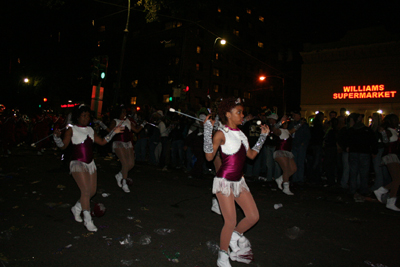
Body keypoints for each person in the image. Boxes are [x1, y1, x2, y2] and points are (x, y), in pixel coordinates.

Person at [203, 97, 269, 267]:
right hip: (224, 182)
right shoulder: (220, 133)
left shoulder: (241, 134)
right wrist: (207, 131)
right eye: (238, 112)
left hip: (239, 182)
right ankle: (223, 256)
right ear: (228, 114)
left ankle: (234, 235)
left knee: (253, 216)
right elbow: (209, 157)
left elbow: (252, 156)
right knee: (230, 221)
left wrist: (263, 137)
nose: (242, 115)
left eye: (242, 112)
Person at [53, 104, 124, 231]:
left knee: (92, 192)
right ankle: (88, 220)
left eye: (87, 115)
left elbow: (102, 142)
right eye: (83, 115)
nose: (86, 118)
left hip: (90, 164)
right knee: (85, 191)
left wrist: (114, 132)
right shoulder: (72, 129)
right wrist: (56, 138)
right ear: (77, 117)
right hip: (77, 163)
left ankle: (77, 208)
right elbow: (63, 146)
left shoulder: (90, 130)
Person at [102, 105, 144, 193]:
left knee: (131, 164)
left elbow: (136, 130)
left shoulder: (128, 121)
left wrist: (143, 124)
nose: (125, 113)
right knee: (125, 163)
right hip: (118, 142)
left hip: (128, 143)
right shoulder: (115, 121)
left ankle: (120, 174)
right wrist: (114, 128)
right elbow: (110, 130)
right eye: (124, 112)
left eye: (125, 112)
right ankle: (124, 182)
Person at [374, 114, 400, 211]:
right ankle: (389, 200)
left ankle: (382, 191)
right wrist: (384, 133)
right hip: (390, 156)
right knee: (397, 179)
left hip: (392, 155)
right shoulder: (388, 131)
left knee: (397, 179)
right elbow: (385, 142)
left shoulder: (392, 130)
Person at [271, 114, 302, 195]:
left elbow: (295, 128)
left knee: (293, 169)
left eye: (286, 123)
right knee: (286, 169)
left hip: (288, 152)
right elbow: (274, 129)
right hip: (280, 152)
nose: (286, 125)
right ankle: (286, 188)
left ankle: (280, 179)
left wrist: (301, 123)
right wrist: (280, 122)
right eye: (284, 123)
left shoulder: (288, 131)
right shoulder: (279, 131)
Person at [289, 111, 310, 186]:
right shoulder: (292, 124)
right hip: (294, 145)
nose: (294, 116)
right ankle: (295, 178)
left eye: (295, 115)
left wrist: (303, 143)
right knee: (294, 163)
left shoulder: (304, 125)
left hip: (300, 146)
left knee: (300, 162)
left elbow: (307, 135)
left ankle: (300, 178)